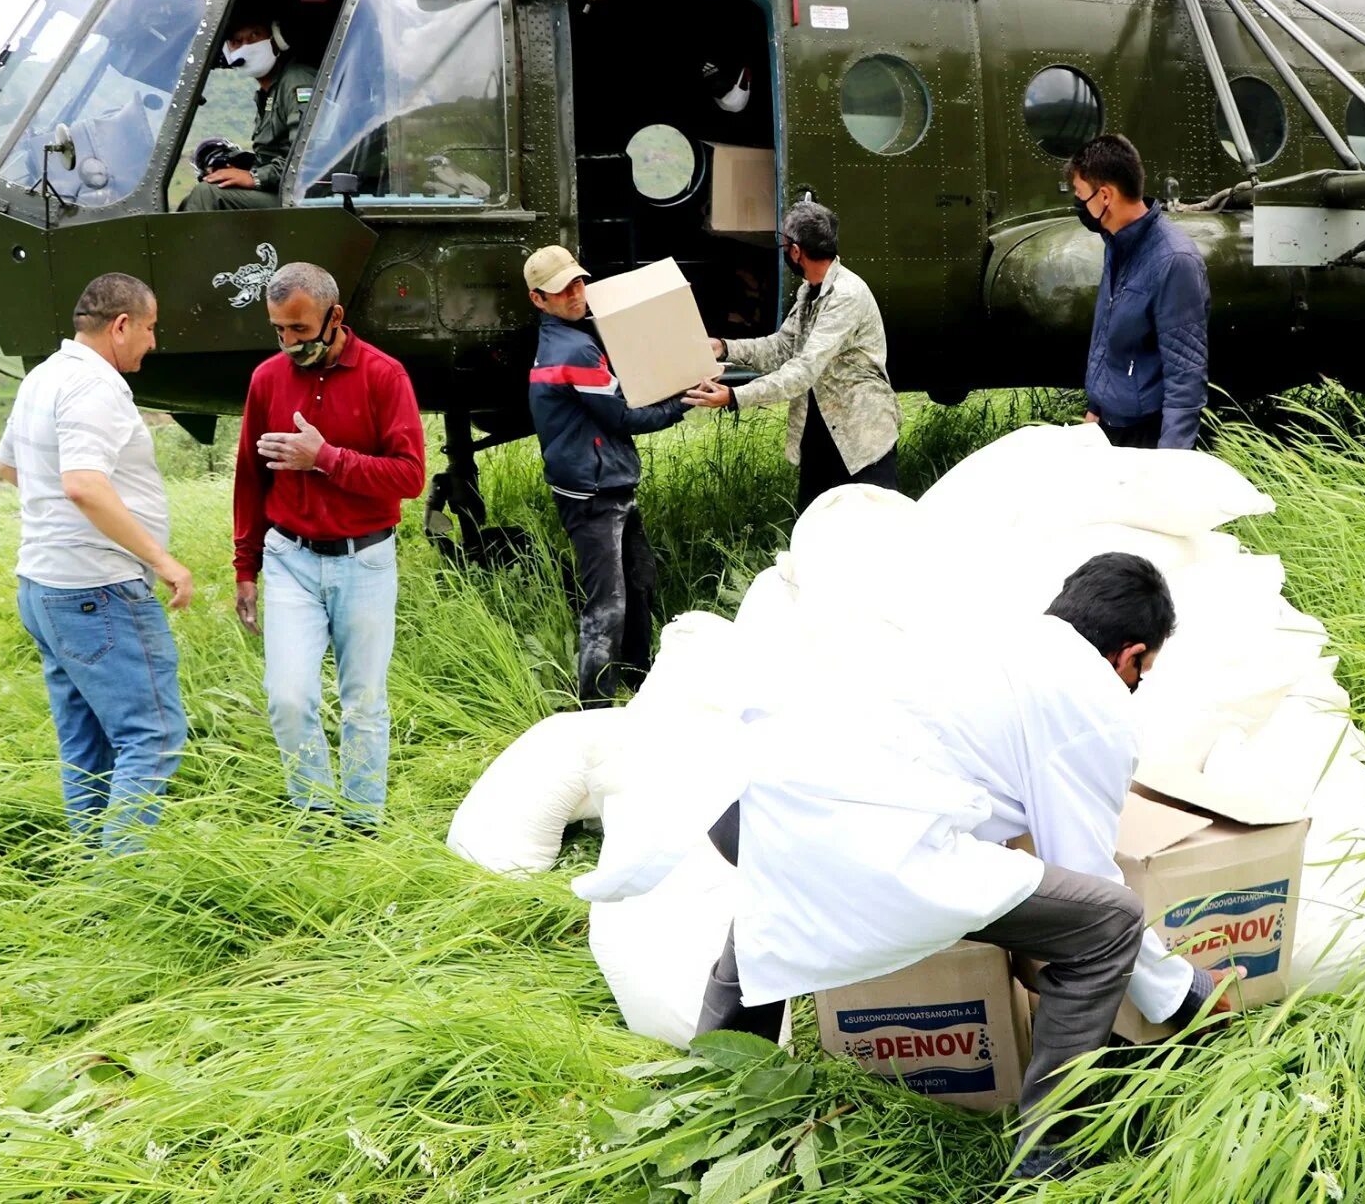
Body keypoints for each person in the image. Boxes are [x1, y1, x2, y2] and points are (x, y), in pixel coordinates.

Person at [691, 554, 1238, 1180]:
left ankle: (710, 1099)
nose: (1137, 684)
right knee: (1109, 922)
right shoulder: (1095, 703)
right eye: (1143, 671)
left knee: (784, 878)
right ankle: (1047, 1155)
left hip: (745, 809)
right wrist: (1185, 993)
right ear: (1129, 654)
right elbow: (1084, 873)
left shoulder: (990, 633)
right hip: (864, 845)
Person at [0, 273, 191, 856]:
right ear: (122, 325)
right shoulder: (94, 386)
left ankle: (89, 881)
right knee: (153, 737)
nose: (153, 343)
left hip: (43, 585)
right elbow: (83, 484)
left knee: (87, 743)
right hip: (96, 588)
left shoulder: (43, 377)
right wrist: (162, 559)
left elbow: (9, 468)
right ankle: (120, 882)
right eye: (150, 329)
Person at [233, 263, 426, 835]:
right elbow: (249, 477)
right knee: (288, 697)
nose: (290, 343)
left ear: (335, 317)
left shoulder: (384, 376)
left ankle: (363, 823)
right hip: (289, 558)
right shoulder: (267, 379)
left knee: (364, 701)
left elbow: (410, 477)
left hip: (365, 560)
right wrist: (246, 567)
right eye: (279, 331)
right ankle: (316, 819)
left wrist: (326, 458)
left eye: (300, 329)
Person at [524, 246, 692, 707]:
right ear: (539, 299)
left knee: (639, 581)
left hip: (607, 481)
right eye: (562, 290)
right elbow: (624, 416)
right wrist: (683, 403)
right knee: (607, 604)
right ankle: (593, 709)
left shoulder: (573, 337)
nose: (575, 294)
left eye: (578, 282)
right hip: (594, 493)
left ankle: (640, 684)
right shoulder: (573, 348)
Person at [684, 200, 901, 514]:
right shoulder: (810, 290)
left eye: (784, 245)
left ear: (796, 251)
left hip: (861, 436)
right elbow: (781, 348)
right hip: (822, 429)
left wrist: (734, 396)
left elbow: (802, 371)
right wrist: (724, 346)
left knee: (876, 528)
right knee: (817, 529)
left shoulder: (846, 295)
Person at [1067, 134, 1211, 450]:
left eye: (1081, 194)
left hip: (1146, 437)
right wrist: (1097, 405)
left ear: (1104, 196)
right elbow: (1108, 333)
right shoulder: (1116, 243)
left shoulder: (1174, 261)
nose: (1078, 203)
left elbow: (1185, 375)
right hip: (1109, 427)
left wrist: (1169, 462)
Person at [179, 19, 317, 212]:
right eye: (236, 41)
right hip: (283, 190)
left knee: (208, 194)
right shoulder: (267, 93)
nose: (246, 46)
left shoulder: (296, 81)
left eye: (254, 35)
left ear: (276, 39)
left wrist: (255, 178)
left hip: (307, 198)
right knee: (210, 188)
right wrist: (239, 165)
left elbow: (311, 156)